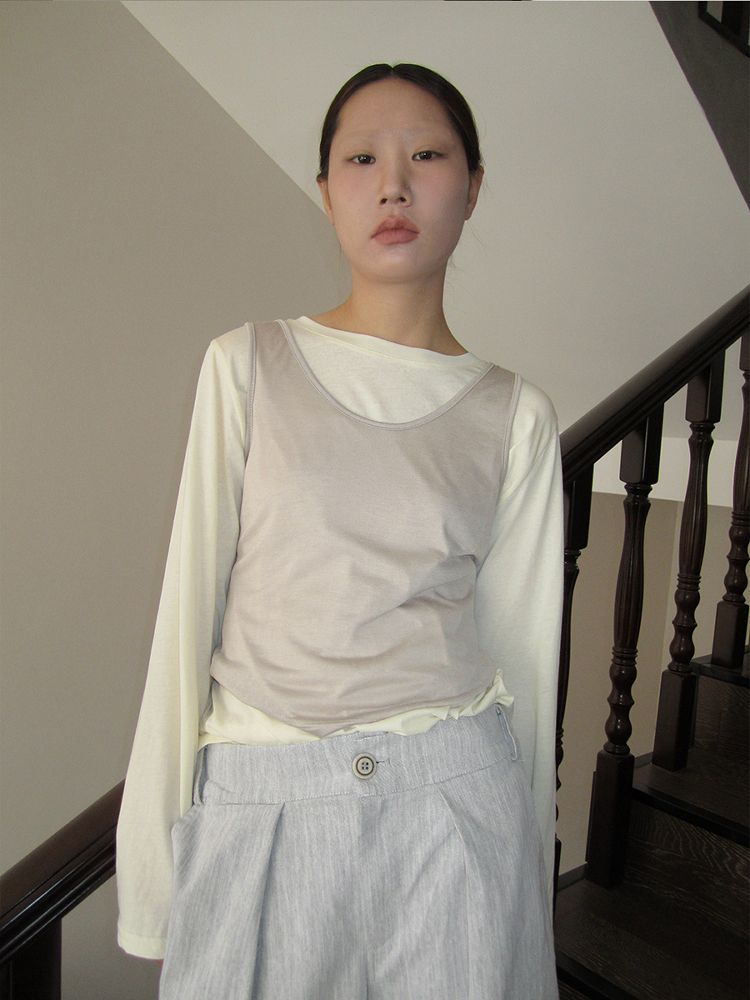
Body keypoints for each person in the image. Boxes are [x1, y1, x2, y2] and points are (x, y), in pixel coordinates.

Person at [116, 62, 563, 1000]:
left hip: (455, 814)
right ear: (326, 190)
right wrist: (154, 887)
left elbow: (526, 664)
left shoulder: (516, 416)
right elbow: (185, 625)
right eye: (361, 159)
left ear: (473, 185)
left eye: (427, 155)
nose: (393, 185)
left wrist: (528, 898)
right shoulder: (246, 365)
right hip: (262, 809)